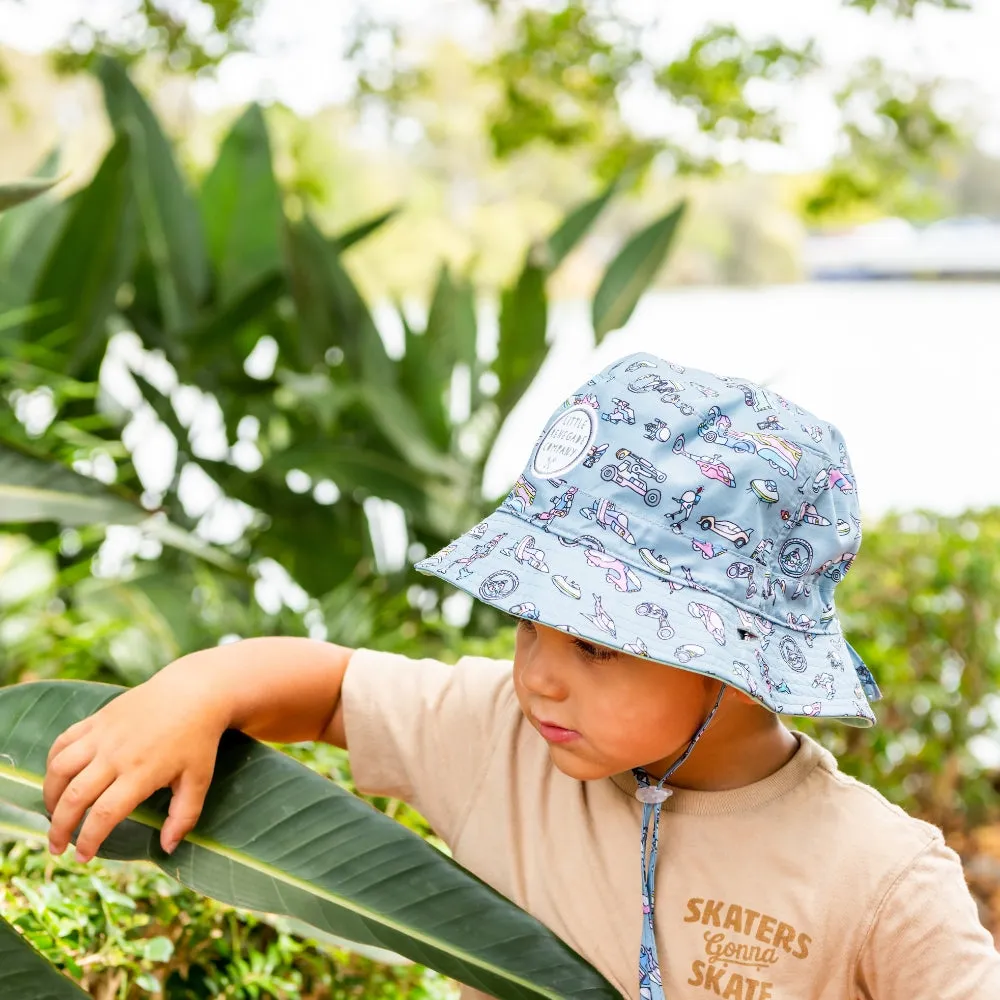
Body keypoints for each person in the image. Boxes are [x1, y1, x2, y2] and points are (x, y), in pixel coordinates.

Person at [43, 353, 1000, 999]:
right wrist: (189, 695)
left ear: (740, 663)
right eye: (529, 625)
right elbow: (332, 689)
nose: (540, 677)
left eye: (597, 644)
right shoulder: (494, 737)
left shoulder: (879, 878)